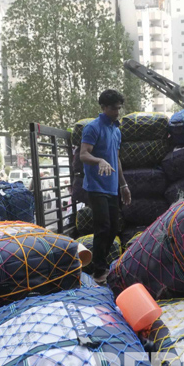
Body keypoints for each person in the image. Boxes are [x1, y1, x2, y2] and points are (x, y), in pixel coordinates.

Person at [79, 89, 130, 285]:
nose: (117, 112)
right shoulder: (93, 128)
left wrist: (124, 185)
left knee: (114, 228)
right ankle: (99, 271)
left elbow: (116, 159)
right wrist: (99, 160)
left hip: (111, 187)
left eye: (118, 108)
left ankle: (98, 264)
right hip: (95, 186)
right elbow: (83, 154)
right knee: (103, 227)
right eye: (113, 109)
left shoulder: (116, 131)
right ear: (103, 107)